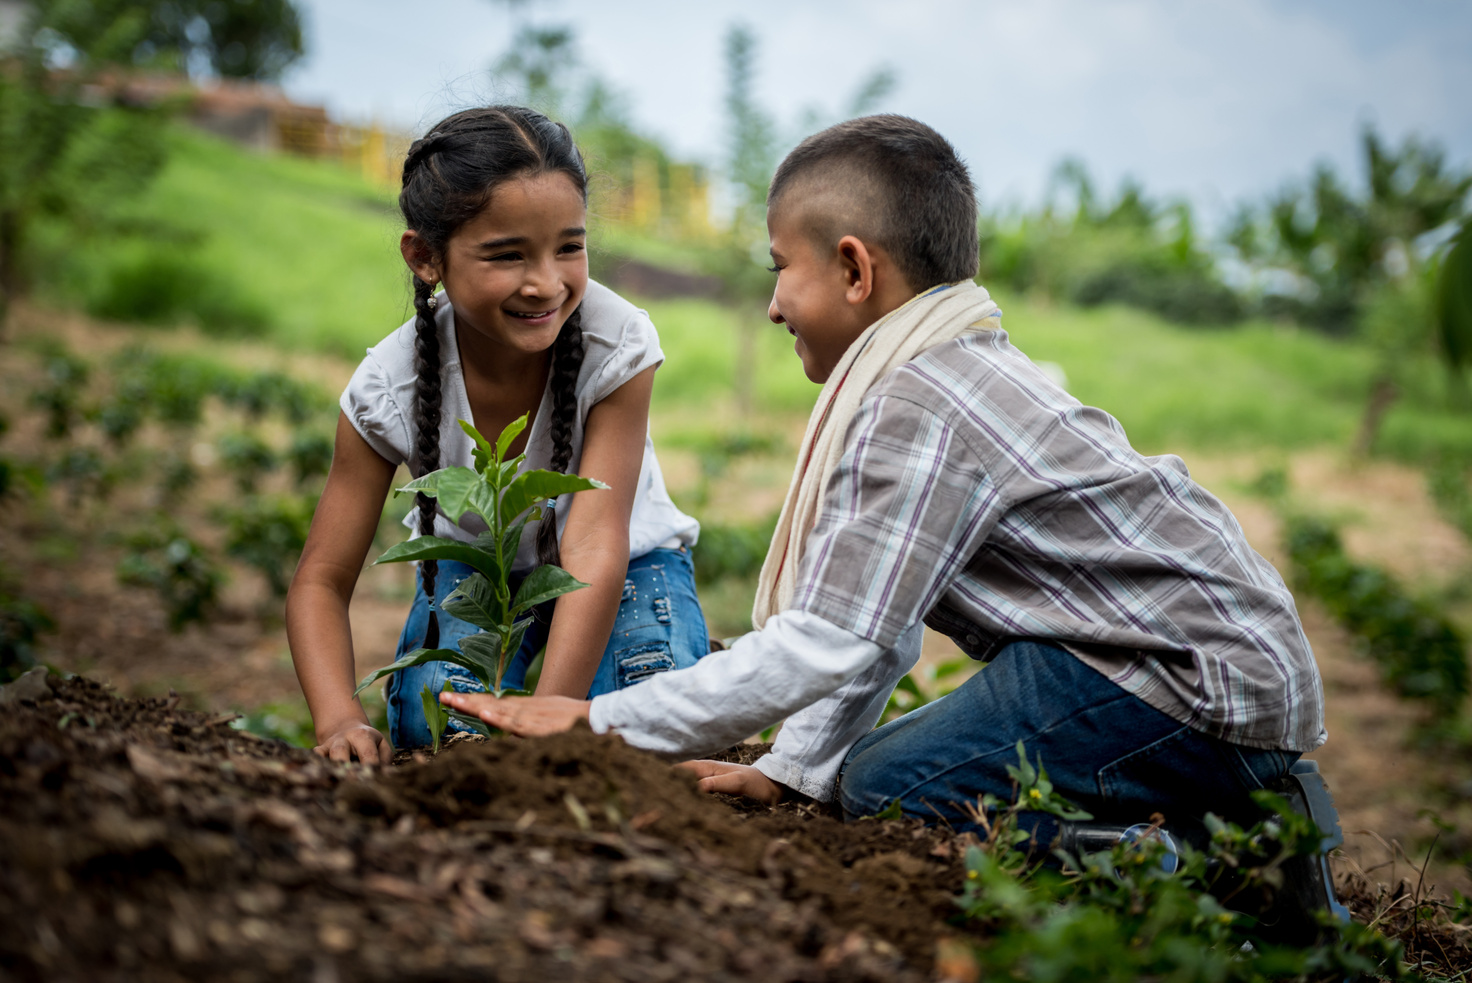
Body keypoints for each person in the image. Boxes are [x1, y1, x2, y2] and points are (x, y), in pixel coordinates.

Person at [442, 115, 1325, 842]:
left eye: (782, 268)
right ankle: (1226, 809)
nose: (774, 303)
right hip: (1185, 667)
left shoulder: (921, 401)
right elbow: (878, 627)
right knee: (858, 775)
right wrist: (791, 770)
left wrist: (600, 723)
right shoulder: (946, 365)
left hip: (1183, 686)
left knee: (888, 788)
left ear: (857, 270)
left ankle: (1184, 853)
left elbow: (831, 640)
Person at [286, 106, 708, 764]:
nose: (546, 282)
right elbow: (321, 577)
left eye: (569, 246)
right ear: (425, 257)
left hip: (627, 564)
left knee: (646, 728)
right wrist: (337, 717)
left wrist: (547, 722)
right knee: (441, 732)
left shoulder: (616, 341)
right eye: (508, 255)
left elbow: (595, 545)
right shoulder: (387, 388)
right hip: (477, 569)